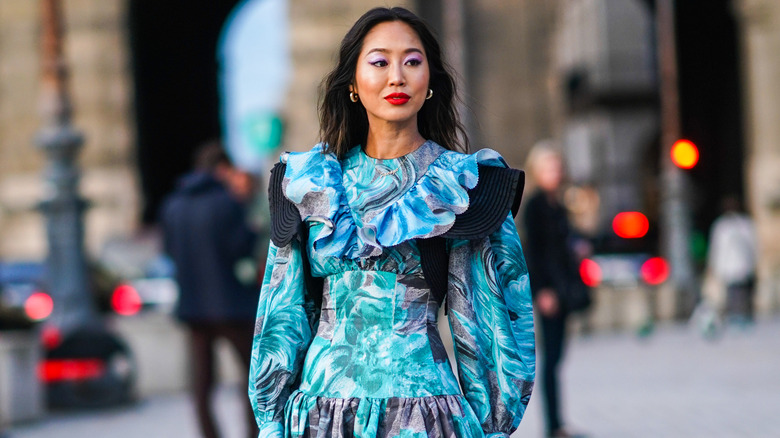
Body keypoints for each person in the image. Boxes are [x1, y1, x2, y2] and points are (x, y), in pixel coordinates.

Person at [248, 7, 535, 438]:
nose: (396, 77)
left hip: (424, 416)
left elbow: (490, 322)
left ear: (431, 82)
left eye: (412, 61)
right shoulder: (310, 182)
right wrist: (273, 421)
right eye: (379, 62)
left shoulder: (463, 186)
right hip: (320, 418)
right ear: (352, 85)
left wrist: (490, 426)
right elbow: (282, 313)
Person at [161, 141, 260, 438]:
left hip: (193, 307)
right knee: (252, 377)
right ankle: (252, 433)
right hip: (232, 305)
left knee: (202, 383)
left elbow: (168, 251)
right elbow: (239, 248)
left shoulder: (172, 206)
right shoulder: (226, 202)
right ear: (221, 169)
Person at [523, 143, 588, 438]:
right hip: (549, 290)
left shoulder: (558, 204)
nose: (555, 173)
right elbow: (532, 251)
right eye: (548, 168)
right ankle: (553, 426)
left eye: (557, 167)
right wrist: (541, 291)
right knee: (550, 360)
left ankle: (558, 423)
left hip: (563, 288)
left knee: (558, 357)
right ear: (537, 171)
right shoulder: (535, 206)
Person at [707, 195, 758, 325]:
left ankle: (743, 315)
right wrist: (714, 266)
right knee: (732, 293)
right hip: (728, 266)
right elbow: (716, 248)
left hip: (742, 265)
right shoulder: (721, 226)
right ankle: (735, 315)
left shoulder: (745, 224)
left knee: (743, 292)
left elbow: (753, 245)